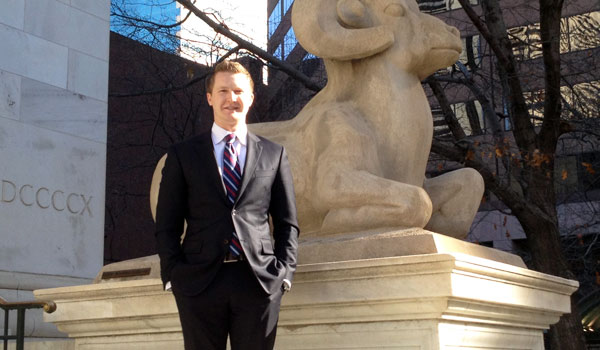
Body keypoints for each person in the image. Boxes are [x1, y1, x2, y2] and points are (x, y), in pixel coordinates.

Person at [155, 60, 299, 350]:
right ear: (209, 98)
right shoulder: (183, 155)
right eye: (222, 91)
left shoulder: (274, 154)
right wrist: (174, 275)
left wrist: (283, 274)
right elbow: (166, 224)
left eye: (238, 91)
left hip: (258, 281)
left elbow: (287, 223)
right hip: (198, 282)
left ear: (250, 98)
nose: (230, 98)